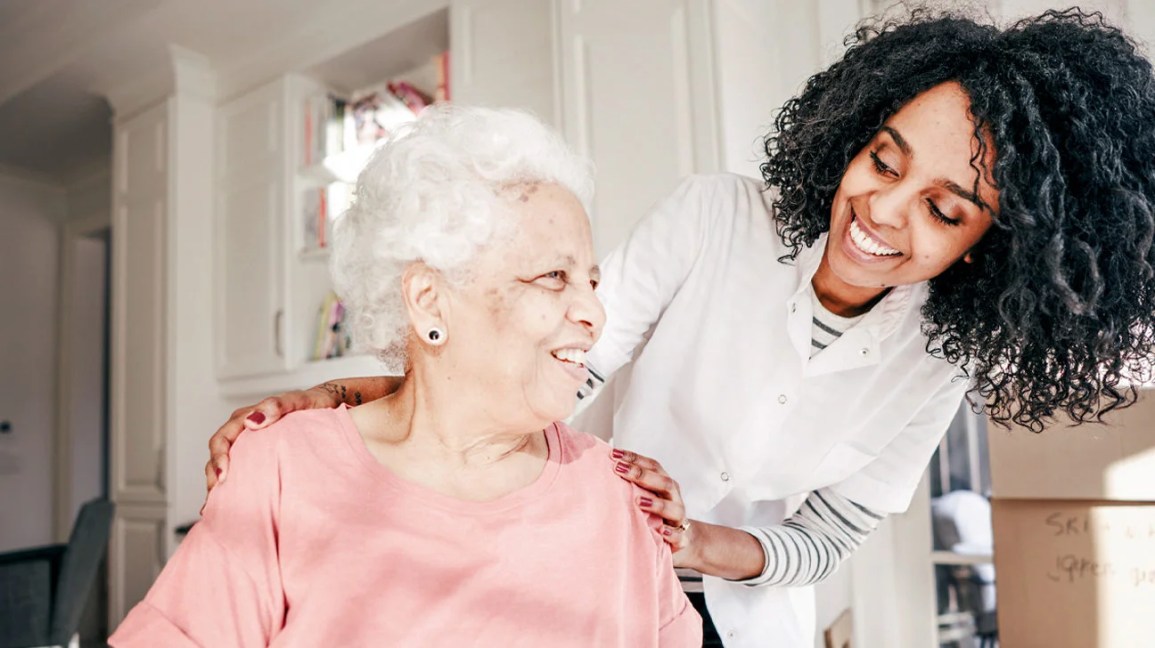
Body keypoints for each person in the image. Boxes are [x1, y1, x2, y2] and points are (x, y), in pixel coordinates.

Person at [204, 8, 1155, 647]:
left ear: (997, 246)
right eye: (882, 159)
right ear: (855, 130)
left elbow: (827, 537)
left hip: (749, 618)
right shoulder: (714, 219)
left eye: (944, 211)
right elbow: (559, 363)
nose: (881, 211)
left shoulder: (939, 358)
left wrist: (695, 542)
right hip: (587, 575)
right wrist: (351, 405)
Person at [110, 106, 702, 647]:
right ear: (429, 301)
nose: (595, 314)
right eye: (553, 275)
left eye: (592, 283)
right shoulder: (283, 469)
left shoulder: (624, 494)